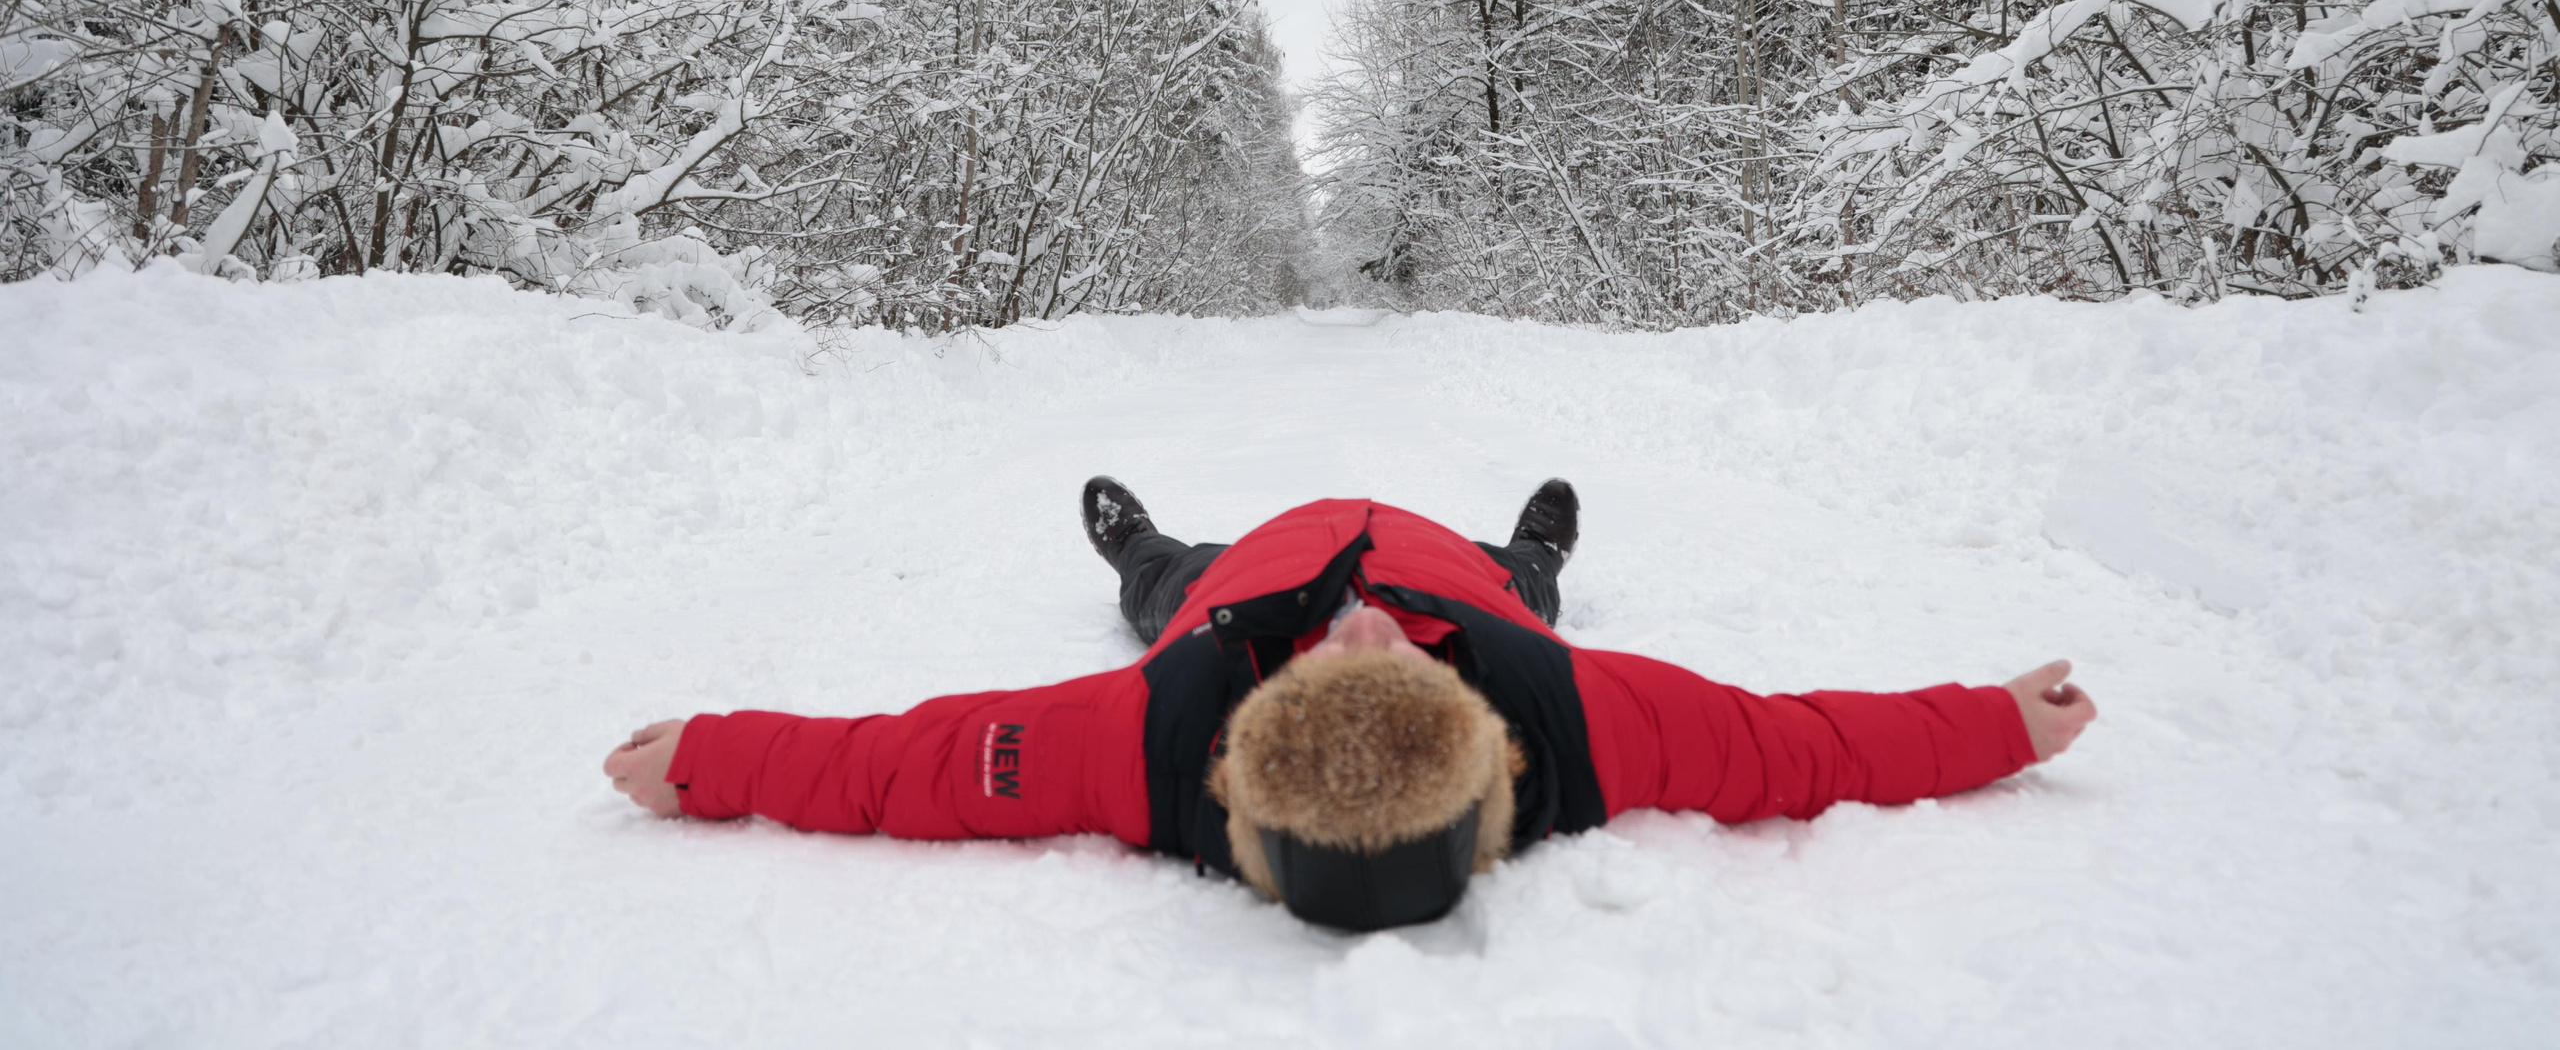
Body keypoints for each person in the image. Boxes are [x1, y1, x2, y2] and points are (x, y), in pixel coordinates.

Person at [604, 481, 2097, 932]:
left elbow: (905, 767)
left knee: (1165, 593)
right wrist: (1998, 725)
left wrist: (711, 760)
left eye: (1342, 661)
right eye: (1390, 663)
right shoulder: (1574, 720)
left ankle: (1136, 547)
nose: (1358, 625)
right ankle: (1543, 552)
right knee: (1522, 587)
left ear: (1244, 746)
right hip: (1473, 572)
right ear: (1482, 740)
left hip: (1235, 570)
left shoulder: (1149, 743)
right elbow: (1806, 750)